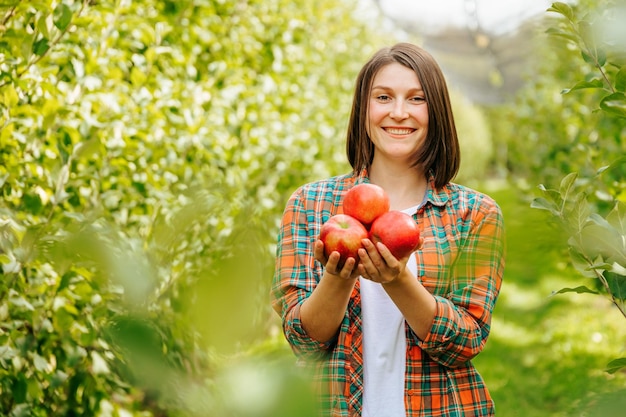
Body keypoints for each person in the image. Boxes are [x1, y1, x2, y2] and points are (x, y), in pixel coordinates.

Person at [270, 42, 505, 417]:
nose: (399, 112)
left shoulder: (474, 214)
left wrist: (397, 280)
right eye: (383, 97)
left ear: (437, 112)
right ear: (364, 110)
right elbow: (303, 341)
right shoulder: (309, 206)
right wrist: (337, 277)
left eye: (416, 99)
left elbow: (465, 341)